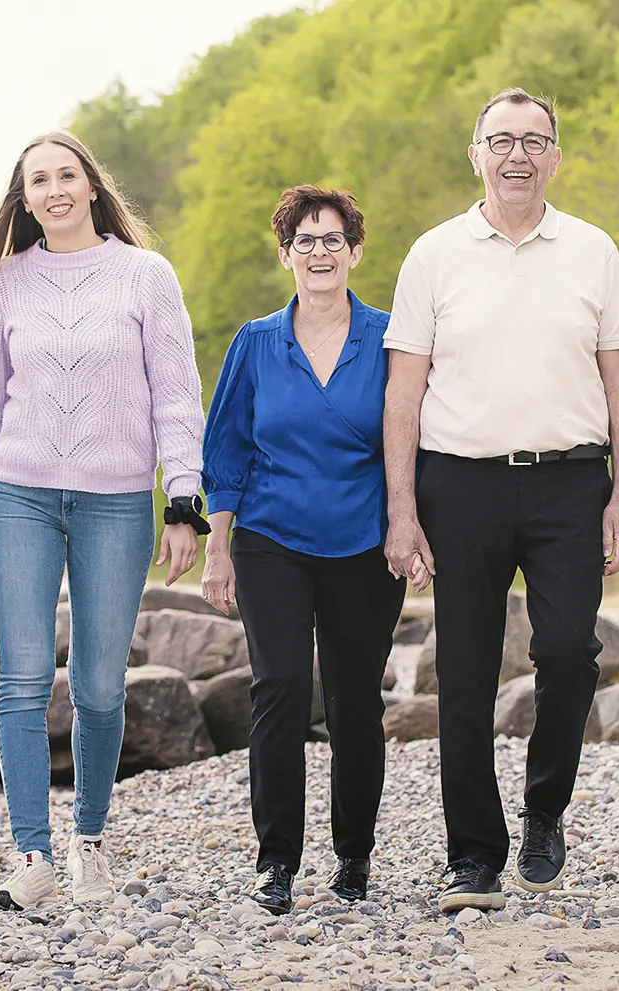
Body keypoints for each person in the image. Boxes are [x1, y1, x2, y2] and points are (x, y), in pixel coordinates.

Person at [382, 88, 619, 913]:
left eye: (535, 141)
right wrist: (401, 507)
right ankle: (472, 854)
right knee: (462, 668)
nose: (518, 155)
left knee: (568, 650)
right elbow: (403, 390)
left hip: (571, 481)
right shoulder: (433, 253)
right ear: (476, 154)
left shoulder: (593, 250)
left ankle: (544, 810)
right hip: (458, 482)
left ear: (555, 156)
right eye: (502, 140)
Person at [0, 131, 206, 911]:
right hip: (16, 497)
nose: (55, 189)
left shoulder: (145, 276)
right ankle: (32, 854)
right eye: (38, 180)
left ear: (91, 187)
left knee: (98, 686)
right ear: (23, 200)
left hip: (116, 502)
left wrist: (183, 501)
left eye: (67, 175)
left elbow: (176, 394)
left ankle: (88, 842)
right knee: (22, 679)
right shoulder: (7, 283)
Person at [200, 186, 405, 915]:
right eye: (304, 240)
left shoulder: (391, 337)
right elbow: (223, 449)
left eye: (332, 239)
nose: (319, 252)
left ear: (354, 251)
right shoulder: (255, 342)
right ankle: (275, 860)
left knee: (355, 701)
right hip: (270, 540)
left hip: (364, 543)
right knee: (280, 687)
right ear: (284, 253)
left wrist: (411, 525)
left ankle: (353, 855)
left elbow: (412, 442)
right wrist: (216, 549)